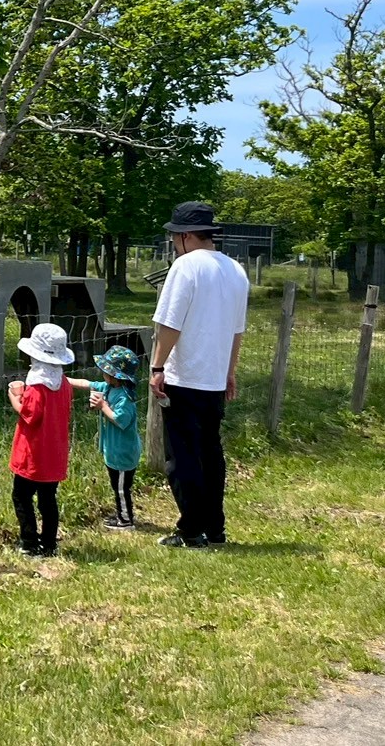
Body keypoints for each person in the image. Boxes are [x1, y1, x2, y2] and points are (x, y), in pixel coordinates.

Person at [149, 201, 249, 549]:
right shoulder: (236, 270)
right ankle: (215, 527)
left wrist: (158, 366)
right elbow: (237, 330)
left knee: (182, 457)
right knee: (210, 453)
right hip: (214, 377)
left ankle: (191, 529)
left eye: (174, 237)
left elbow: (170, 324)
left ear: (186, 236)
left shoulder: (186, 266)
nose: (174, 243)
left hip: (184, 375)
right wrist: (230, 371)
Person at [7, 322, 76, 557]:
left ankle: (29, 542)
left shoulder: (37, 387)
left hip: (33, 454)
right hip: (54, 453)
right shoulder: (64, 384)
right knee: (48, 499)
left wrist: (14, 397)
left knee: (22, 496)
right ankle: (49, 544)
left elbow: (30, 415)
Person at [84, 346, 143, 531]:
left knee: (121, 489)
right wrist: (64, 380)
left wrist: (103, 406)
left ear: (115, 376)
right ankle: (121, 514)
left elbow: (120, 420)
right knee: (117, 486)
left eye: (105, 370)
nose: (102, 372)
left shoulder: (125, 399)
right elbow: (87, 384)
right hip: (114, 452)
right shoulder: (109, 388)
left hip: (123, 454)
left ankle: (126, 520)